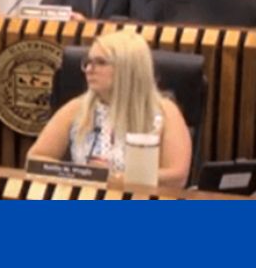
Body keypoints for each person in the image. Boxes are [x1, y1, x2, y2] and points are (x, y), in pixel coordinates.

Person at [28, 31, 192, 189]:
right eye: (88, 62)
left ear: (127, 68)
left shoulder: (165, 112)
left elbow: (177, 177)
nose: (89, 69)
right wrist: (81, 174)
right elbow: (35, 158)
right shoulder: (76, 108)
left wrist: (118, 179)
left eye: (100, 62)